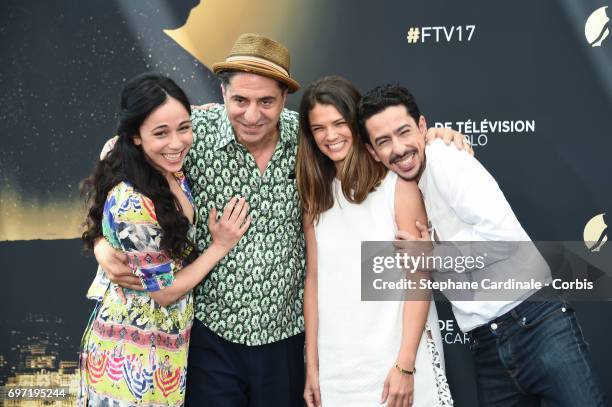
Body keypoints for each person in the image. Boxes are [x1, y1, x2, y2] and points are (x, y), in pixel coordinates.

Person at [92, 34, 470, 406]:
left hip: (285, 340)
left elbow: (371, 138)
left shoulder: (308, 137)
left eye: (266, 101)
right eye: (240, 100)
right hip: (211, 337)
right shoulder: (190, 134)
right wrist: (100, 243)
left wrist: (434, 138)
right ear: (223, 94)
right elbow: (120, 158)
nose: (252, 114)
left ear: (284, 98)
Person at [358, 84, 605, 406]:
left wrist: (433, 256)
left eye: (404, 132)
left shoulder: (444, 160)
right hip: (486, 342)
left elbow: (501, 239)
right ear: (373, 152)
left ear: (421, 126)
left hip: (536, 324)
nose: (398, 148)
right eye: (383, 142)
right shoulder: (404, 188)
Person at [78, 72, 249, 406]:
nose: (176, 143)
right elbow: (165, 292)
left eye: (184, 127)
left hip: (167, 348)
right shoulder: (133, 201)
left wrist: (198, 113)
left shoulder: (167, 166)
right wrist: (220, 246)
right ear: (135, 136)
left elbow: (116, 143)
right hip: (131, 359)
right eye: (160, 133)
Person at [297, 76, 454, 407]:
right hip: (338, 367)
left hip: (395, 361)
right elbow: (314, 280)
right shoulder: (316, 196)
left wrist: (405, 365)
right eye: (318, 128)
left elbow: (419, 278)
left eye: (339, 123)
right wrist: (312, 365)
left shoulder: (397, 186)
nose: (330, 136)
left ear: (357, 125)